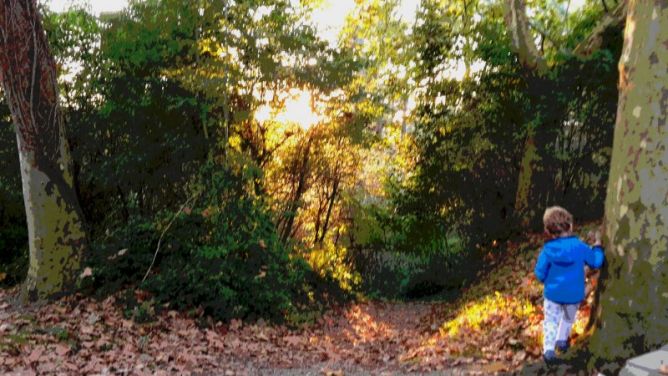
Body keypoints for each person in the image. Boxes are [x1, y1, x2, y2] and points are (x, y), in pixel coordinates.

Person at [534, 206, 605, 363]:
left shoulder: (547, 250)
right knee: (567, 318)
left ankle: (549, 351)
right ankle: (562, 340)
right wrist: (598, 247)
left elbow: (539, 273)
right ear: (570, 226)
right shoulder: (579, 246)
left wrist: (548, 279)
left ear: (548, 231)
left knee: (551, 321)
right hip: (574, 294)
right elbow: (596, 261)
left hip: (553, 295)